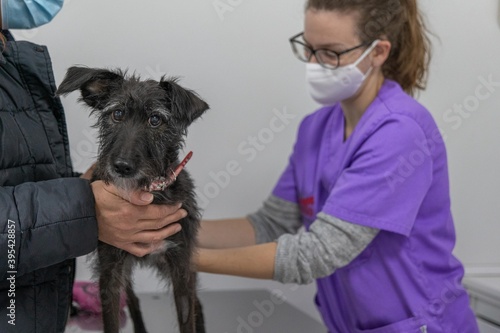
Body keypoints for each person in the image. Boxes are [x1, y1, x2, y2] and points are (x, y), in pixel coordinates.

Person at [195, 0, 480, 331]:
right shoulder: (314, 130)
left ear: (378, 52)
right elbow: (269, 224)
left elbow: (319, 252)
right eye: (310, 49)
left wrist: (187, 259)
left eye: (331, 53)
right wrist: (168, 229)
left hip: (421, 324)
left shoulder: (399, 133)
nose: (315, 64)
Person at [0, 1, 184, 332]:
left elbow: (21, 180)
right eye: (116, 115)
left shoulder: (14, 61)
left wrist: (78, 187)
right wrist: (83, 210)